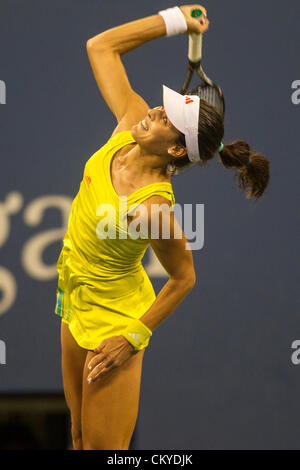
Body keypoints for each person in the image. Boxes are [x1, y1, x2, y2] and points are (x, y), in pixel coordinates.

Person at [54, 4, 270, 451]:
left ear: (174, 150)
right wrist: (177, 20)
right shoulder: (128, 123)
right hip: (74, 297)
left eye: (165, 118)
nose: (152, 110)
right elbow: (101, 47)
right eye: (162, 106)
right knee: (75, 435)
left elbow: (184, 277)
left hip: (114, 321)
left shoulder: (153, 208)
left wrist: (133, 337)